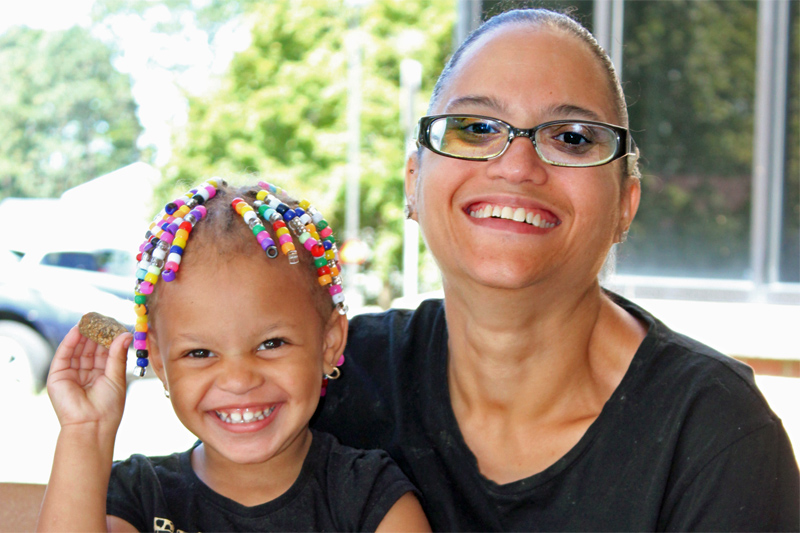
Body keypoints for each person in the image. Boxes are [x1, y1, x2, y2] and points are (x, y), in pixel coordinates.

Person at [313, 8, 800, 531]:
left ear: (624, 205)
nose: (517, 166)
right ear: (414, 182)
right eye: (475, 127)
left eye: (571, 138)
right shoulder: (329, 379)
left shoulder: (715, 435)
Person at [37, 180, 431, 532]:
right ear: (159, 361)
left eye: (271, 344)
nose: (239, 379)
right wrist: (85, 432)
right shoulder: (140, 496)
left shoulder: (371, 500)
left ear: (329, 342)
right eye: (200, 352)